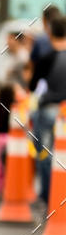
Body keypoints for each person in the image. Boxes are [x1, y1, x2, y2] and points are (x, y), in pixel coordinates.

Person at [30, 15, 66, 210]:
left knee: (45, 154)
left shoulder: (47, 58)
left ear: (50, 32)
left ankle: (48, 196)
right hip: (64, 111)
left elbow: (32, 85)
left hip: (50, 109)